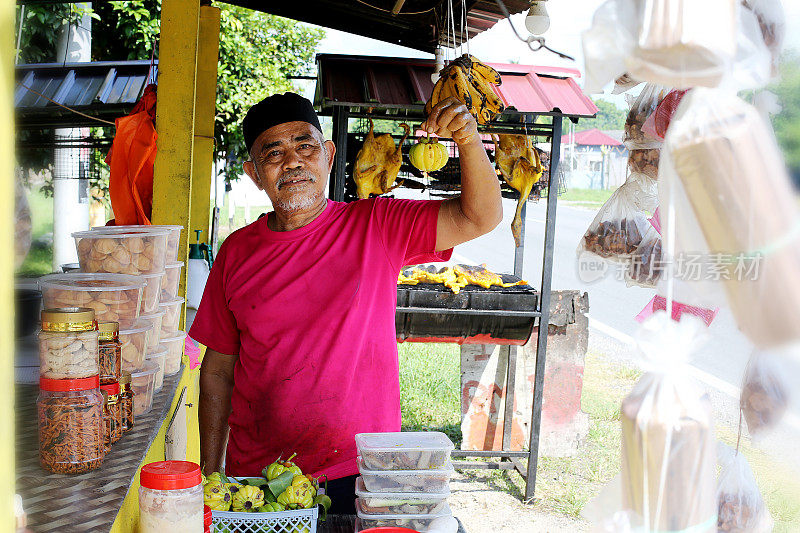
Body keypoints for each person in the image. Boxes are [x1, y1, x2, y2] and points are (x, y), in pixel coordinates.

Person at [190, 92, 502, 513]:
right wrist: (212, 476)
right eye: (274, 153)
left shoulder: (375, 225)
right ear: (254, 173)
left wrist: (467, 139)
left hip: (361, 473)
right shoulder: (236, 252)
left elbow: (479, 217)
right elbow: (218, 370)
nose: (293, 162)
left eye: (305, 146)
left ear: (329, 154)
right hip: (259, 479)